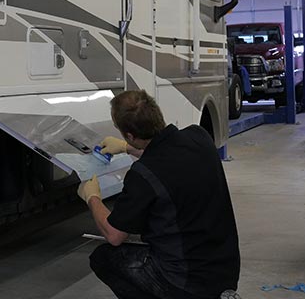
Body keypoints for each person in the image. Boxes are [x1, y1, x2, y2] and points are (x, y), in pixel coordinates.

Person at [77, 90, 240, 299]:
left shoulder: (143, 175)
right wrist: (128, 149)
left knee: (104, 258)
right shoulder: (200, 137)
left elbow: (114, 235)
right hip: (224, 274)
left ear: (129, 134)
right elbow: (169, 155)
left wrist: (92, 197)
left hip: (186, 283)